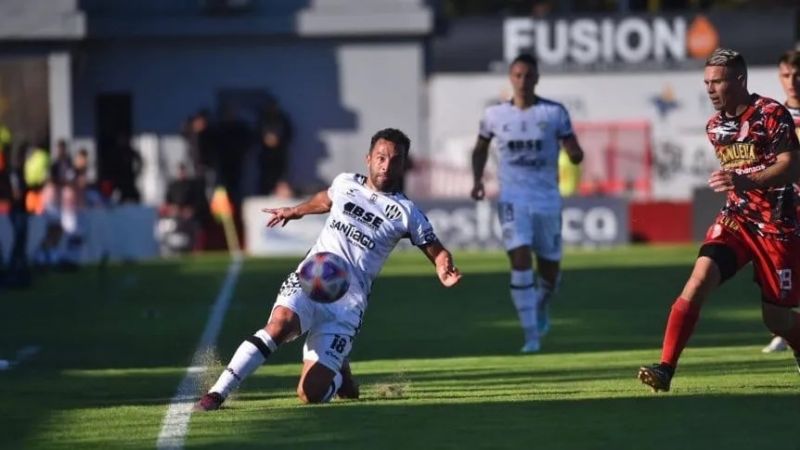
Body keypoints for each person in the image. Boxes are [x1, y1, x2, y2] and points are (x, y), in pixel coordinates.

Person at [194, 128, 462, 410]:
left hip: (347, 305)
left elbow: (436, 249)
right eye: (381, 157)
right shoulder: (346, 183)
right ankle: (217, 393)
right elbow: (325, 199)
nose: (386, 165)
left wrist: (443, 268)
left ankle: (339, 373)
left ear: (403, 164)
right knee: (279, 324)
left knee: (309, 394)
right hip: (310, 279)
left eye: (395, 160)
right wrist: (295, 210)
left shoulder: (407, 212)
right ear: (368, 158)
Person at [638, 48, 800, 393]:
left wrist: (746, 180)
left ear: (740, 80)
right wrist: (737, 186)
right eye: (707, 83)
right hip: (737, 220)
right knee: (698, 280)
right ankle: (665, 368)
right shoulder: (716, 127)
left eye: (719, 82)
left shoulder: (772, 113)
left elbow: (792, 165)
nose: (711, 89)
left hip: (778, 226)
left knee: (777, 320)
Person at [470, 53, 584, 353]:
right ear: (510, 78)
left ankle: (541, 304)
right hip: (512, 198)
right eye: (517, 75)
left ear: (536, 78)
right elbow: (479, 148)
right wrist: (477, 180)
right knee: (519, 259)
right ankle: (531, 336)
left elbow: (573, 145)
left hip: (546, 199)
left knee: (550, 273)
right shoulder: (494, 115)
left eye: (528, 75)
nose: (522, 81)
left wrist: (575, 153)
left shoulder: (553, 113)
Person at [762, 49, 800, 354]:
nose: (793, 82)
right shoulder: (775, 118)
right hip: (787, 205)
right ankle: (786, 325)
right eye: (787, 75)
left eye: (798, 75)